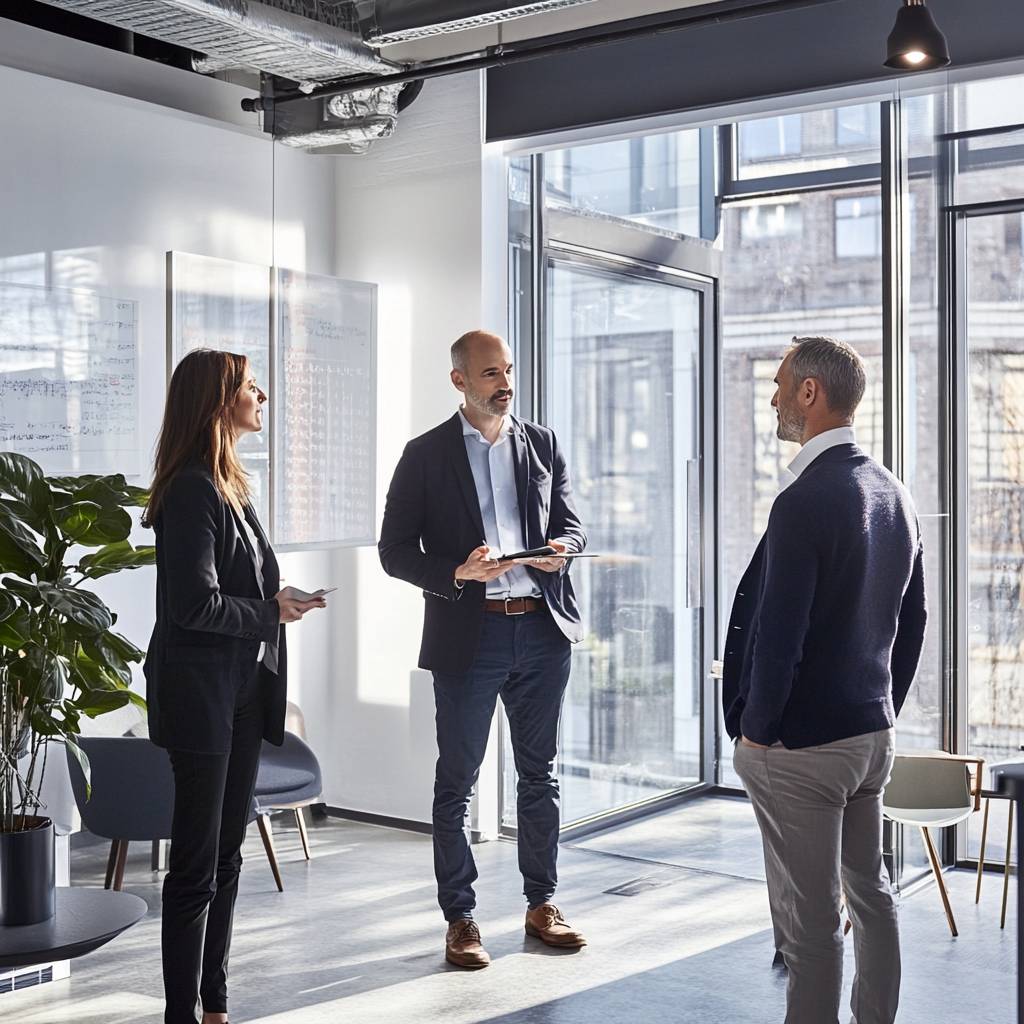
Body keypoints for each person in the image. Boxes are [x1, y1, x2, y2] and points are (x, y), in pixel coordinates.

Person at [723, 336, 927, 1024]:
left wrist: (756, 733)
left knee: (810, 930)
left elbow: (782, 637)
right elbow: (915, 620)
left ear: (811, 393)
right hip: (869, 738)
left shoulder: (804, 501)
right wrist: (878, 708)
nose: (774, 397)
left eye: (780, 383)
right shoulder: (894, 492)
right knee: (871, 893)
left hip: (804, 752)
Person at [379, 329, 588, 968]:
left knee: (540, 775)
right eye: (491, 373)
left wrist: (564, 551)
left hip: (542, 631)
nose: (505, 383)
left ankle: (541, 903)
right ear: (460, 381)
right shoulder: (424, 455)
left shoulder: (542, 442)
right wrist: (456, 574)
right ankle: (461, 918)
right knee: (458, 783)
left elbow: (571, 524)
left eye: (508, 370)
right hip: (471, 636)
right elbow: (393, 552)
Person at [142, 349, 326, 1024]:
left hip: (244, 687)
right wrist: (270, 612)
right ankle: (180, 1015)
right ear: (220, 402)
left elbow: (233, 592)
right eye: (251, 388)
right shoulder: (191, 488)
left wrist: (280, 601)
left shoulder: (232, 487)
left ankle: (214, 1005)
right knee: (196, 866)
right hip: (201, 694)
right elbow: (192, 606)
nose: (262, 397)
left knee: (227, 854)